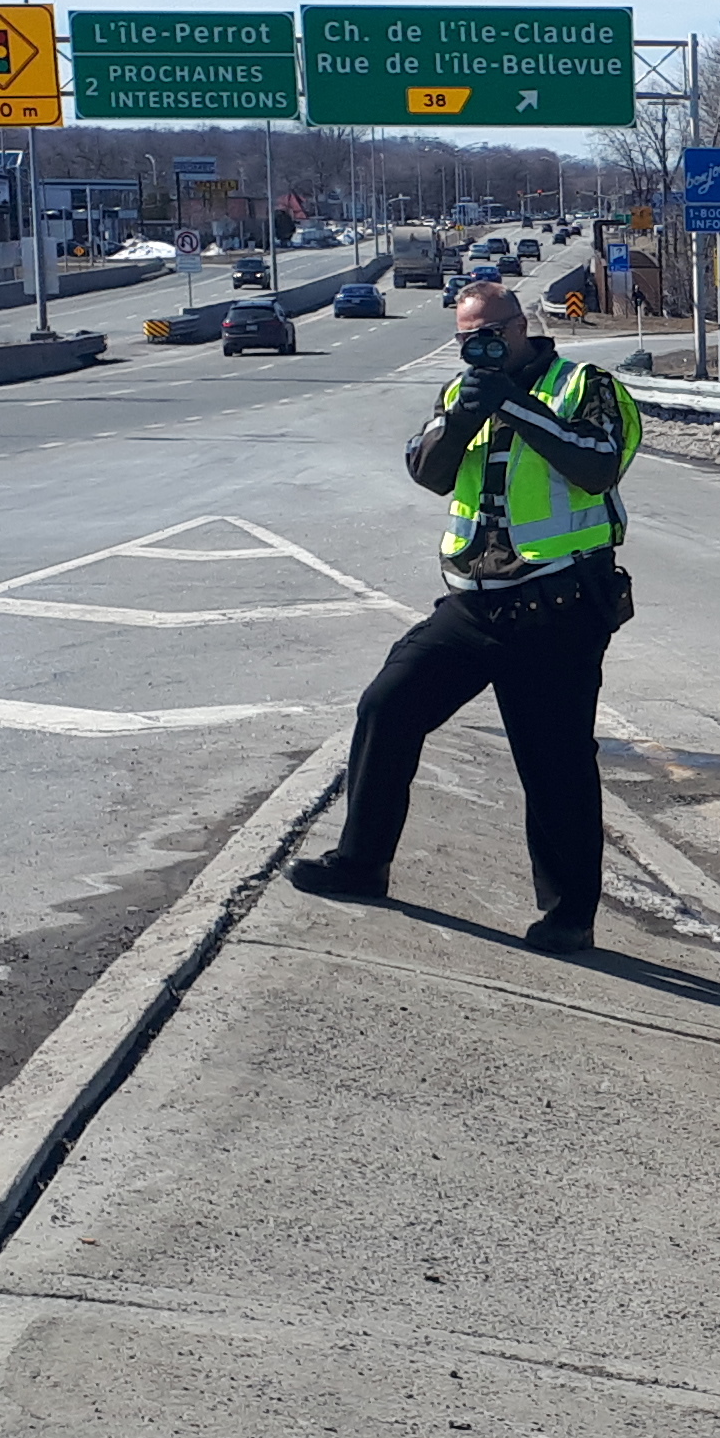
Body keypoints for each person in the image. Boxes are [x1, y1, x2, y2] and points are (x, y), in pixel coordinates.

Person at [289, 276, 645, 951]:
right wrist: (465, 415)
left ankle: (570, 915)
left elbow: (598, 467)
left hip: (559, 603)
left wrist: (516, 407)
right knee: (387, 707)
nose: (479, 349)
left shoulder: (584, 385)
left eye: (491, 334)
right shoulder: (460, 393)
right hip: (473, 602)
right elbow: (427, 471)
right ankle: (363, 864)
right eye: (466, 339)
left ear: (521, 327)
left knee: (555, 761)